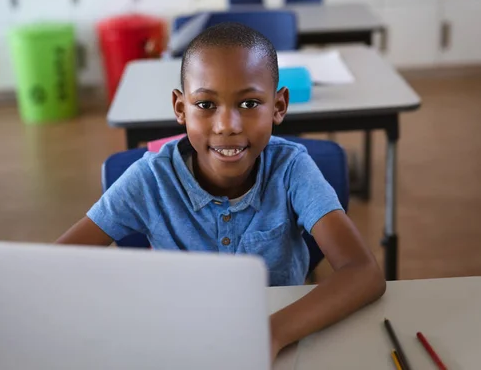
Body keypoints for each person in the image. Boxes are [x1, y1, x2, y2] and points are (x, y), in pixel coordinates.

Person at [56, 22, 386, 361]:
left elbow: (364, 272)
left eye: (249, 103)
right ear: (181, 109)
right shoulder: (149, 180)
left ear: (279, 106)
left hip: (281, 339)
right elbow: (52, 266)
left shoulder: (290, 170)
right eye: (206, 105)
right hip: (177, 341)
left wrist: (269, 335)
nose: (227, 125)